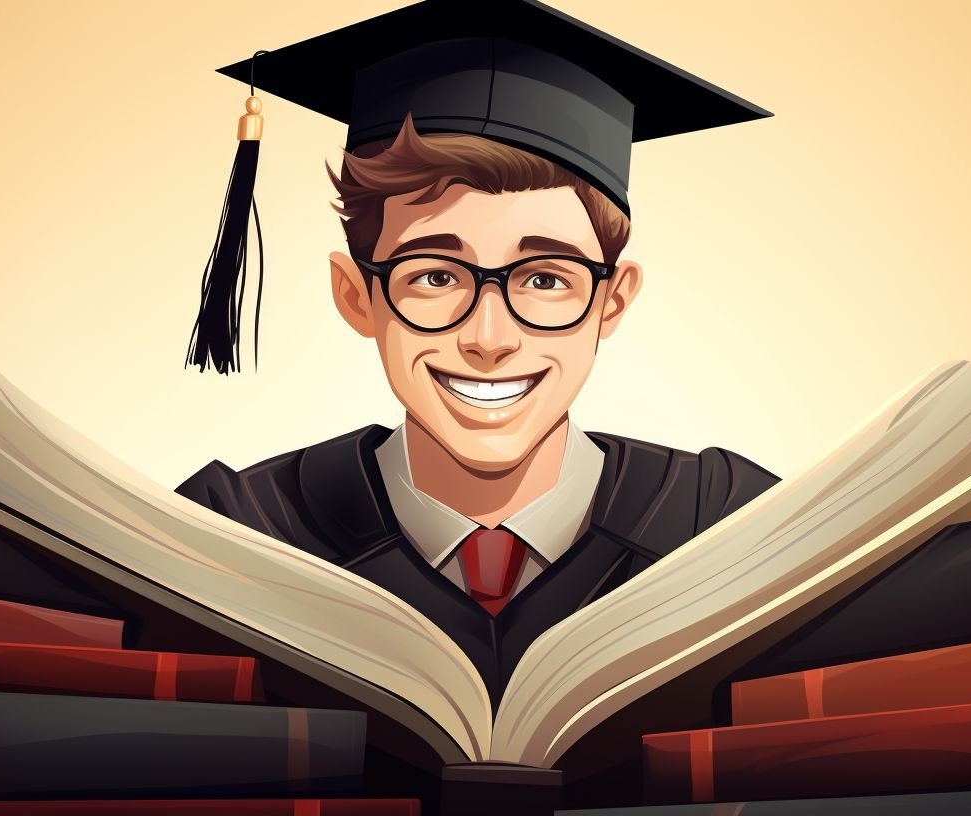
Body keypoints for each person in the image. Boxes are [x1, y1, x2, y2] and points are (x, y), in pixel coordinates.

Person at [174, 0, 780, 705]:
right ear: (355, 296)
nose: (489, 339)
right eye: (435, 276)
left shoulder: (729, 528)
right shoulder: (237, 535)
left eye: (546, 279)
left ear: (613, 301)